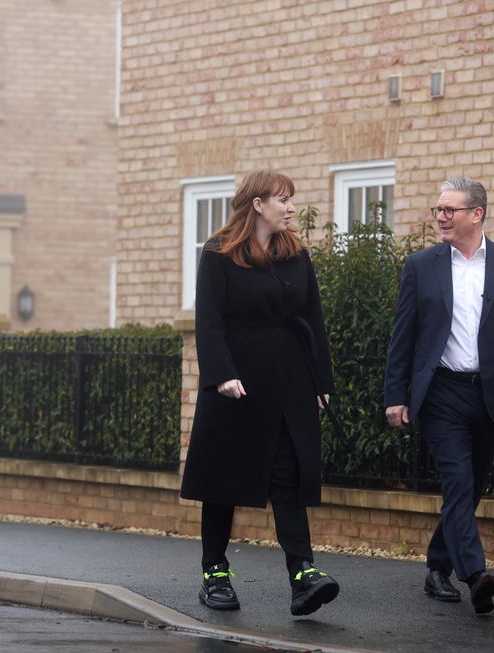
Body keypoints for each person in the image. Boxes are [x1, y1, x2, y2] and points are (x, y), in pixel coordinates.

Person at [383, 177, 494, 615]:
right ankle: (475, 575)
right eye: (437, 209)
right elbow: (404, 337)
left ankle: (437, 566)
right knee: (457, 481)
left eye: (449, 210)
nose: (440, 217)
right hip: (441, 393)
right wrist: (395, 396)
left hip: (492, 393)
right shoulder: (422, 266)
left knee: (470, 488)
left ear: (476, 214)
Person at [180, 169, 340, 617]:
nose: (290, 208)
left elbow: (313, 319)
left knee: (288, 476)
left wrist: (320, 383)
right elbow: (208, 320)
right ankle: (215, 573)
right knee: (224, 480)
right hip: (237, 384)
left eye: (291, 200)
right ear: (257, 204)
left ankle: (303, 574)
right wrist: (221, 374)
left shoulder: (295, 254)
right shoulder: (219, 253)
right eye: (282, 200)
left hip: (289, 378)